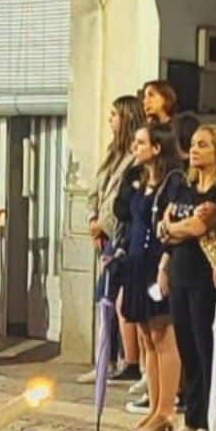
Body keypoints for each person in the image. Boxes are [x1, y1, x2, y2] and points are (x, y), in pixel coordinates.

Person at [158, 123, 216, 431]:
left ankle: (211, 426)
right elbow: (164, 225)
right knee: (188, 351)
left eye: (203, 145)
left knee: (209, 352)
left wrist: (177, 228)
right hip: (181, 272)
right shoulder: (184, 186)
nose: (195, 150)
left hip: (208, 278)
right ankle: (191, 419)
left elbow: (198, 224)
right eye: (193, 144)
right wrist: (175, 232)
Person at [120, 123, 183, 431]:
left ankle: (166, 411)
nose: (135, 147)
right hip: (136, 262)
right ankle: (154, 407)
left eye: (140, 142)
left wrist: (164, 266)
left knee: (162, 336)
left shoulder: (172, 183)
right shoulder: (140, 180)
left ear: (158, 148)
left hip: (156, 263)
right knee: (146, 337)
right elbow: (123, 211)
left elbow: (168, 226)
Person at [80, 94, 145, 386]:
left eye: (114, 115)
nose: (110, 121)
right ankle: (105, 359)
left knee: (112, 297)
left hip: (118, 235)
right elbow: (97, 190)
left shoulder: (134, 158)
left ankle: (116, 359)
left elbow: (121, 201)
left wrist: (105, 225)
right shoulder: (112, 153)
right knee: (105, 298)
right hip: (103, 232)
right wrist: (92, 220)